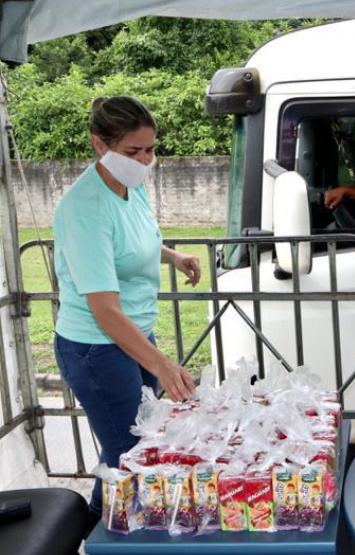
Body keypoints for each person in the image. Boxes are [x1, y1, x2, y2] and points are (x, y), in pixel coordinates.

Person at [52, 96, 199, 529]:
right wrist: (162, 364)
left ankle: (94, 523)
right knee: (130, 450)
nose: (145, 160)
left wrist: (171, 256)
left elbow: (133, 242)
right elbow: (105, 310)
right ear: (100, 145)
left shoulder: (129, 188)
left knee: (126, 443)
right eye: (134, 151)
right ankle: (108, 533)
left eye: (151, 149)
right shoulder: (85, 208)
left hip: (132, 337)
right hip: (97, 347)